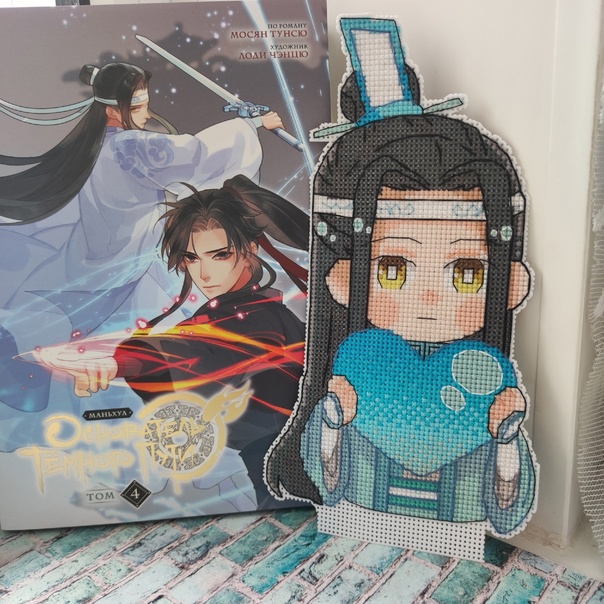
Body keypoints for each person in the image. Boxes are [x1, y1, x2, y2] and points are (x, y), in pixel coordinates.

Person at [266, 62, 538, 537]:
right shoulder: (358, 363)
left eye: (467, 272)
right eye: (393, 269)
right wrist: (332, 422)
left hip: (461, 515)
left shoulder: (487, 374)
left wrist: (506, 440)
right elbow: (328, 476)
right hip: (359, 512)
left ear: (510, 284)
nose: (430, 295)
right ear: (343, 281)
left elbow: (505, 506)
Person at [0, 62, 284, 424]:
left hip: (96, 251)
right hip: (131, 252)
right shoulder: (129, 147)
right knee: (171, 315)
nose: (147, 115)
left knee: (69, 310)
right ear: (111, 110)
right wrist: (252, 126)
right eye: (137, 107)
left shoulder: (96, 146)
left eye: (145, 104)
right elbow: (197, 154)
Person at [39, 174, 309, 510]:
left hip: (292, 469)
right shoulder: (248, 313)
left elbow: (201, 352)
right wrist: (120, 362)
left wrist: (118, 363)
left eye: (219, 255)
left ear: (248, 251)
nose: (204, 273)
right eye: (192, 258)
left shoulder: (255, 319)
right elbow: (194, 346)